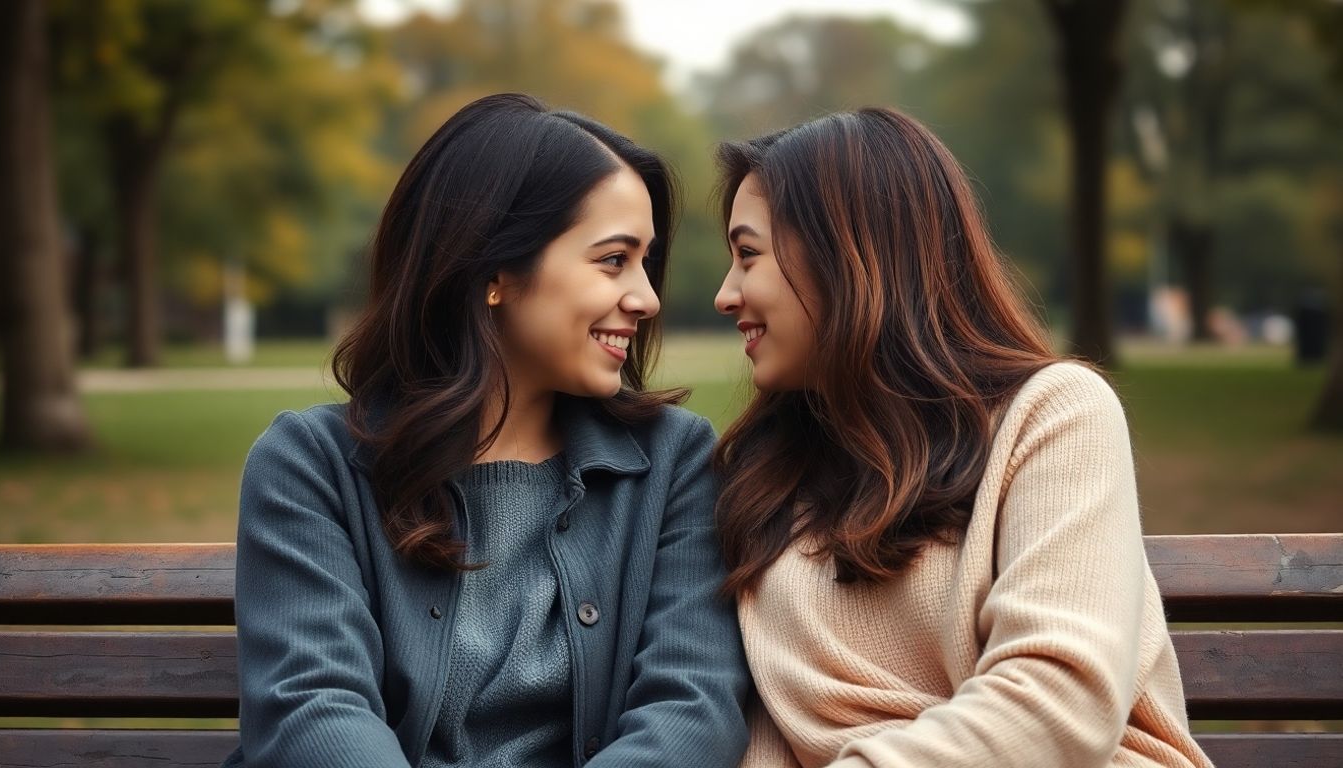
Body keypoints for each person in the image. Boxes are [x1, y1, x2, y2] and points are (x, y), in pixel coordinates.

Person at [222, 93, 749, 768]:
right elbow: (311, 710)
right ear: (495, 271)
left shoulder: (676, 462)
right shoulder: (311, 465)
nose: (646, 298)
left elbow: (690, 709)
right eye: (614, 260)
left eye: (646, 263)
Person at [711, 107, 1212, 768]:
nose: (725, 294)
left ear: (846, 253)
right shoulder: (762, 475)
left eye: (748, 254)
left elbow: (1058, 701)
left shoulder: (1056, 415)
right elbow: (770, 726)